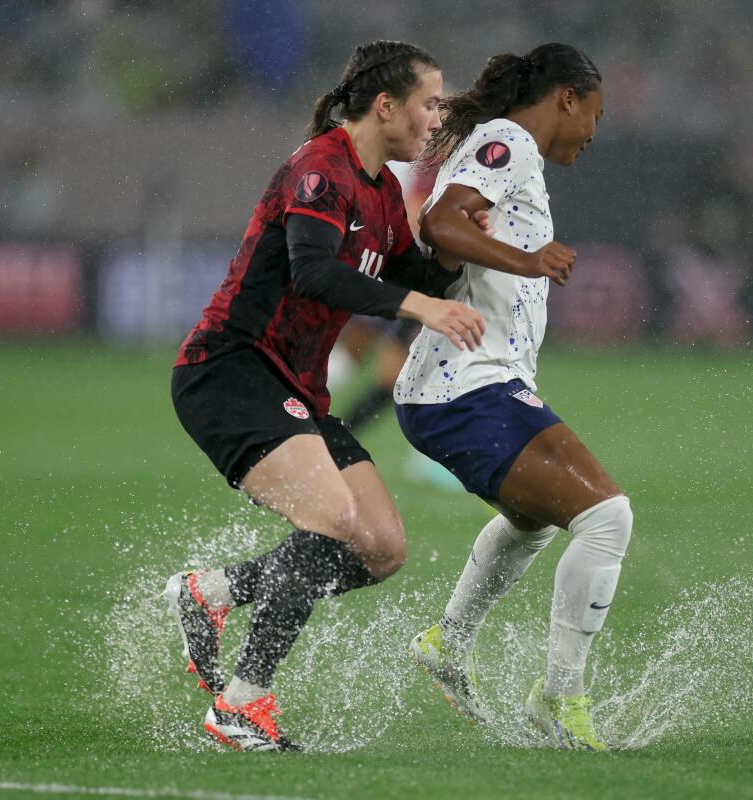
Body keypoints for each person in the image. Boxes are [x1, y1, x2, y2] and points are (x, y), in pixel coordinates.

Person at [162, 40, 490, 752]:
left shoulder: (379, 188)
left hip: (296, 390)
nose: (437, 118)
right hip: (231, 369)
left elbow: (418, 276)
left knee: (381, 546)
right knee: (335, 520)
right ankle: (242, 704)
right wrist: (419, 305)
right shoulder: (322, 167)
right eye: (430, 102)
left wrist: (458, 253)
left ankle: (213, 593)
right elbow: (314, 273)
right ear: (386, 105)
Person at [394, 44, 624, 752]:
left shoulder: (504, 144)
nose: (593, 130)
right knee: (606, 518)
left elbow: (448, 232)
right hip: (464, 384)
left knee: (532, 522)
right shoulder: (510, 140)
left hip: (470, 383)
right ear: (566, 96)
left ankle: (446, 643)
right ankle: (560, 696)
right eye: (595, 113)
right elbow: (443, 223)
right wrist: (529, 260)